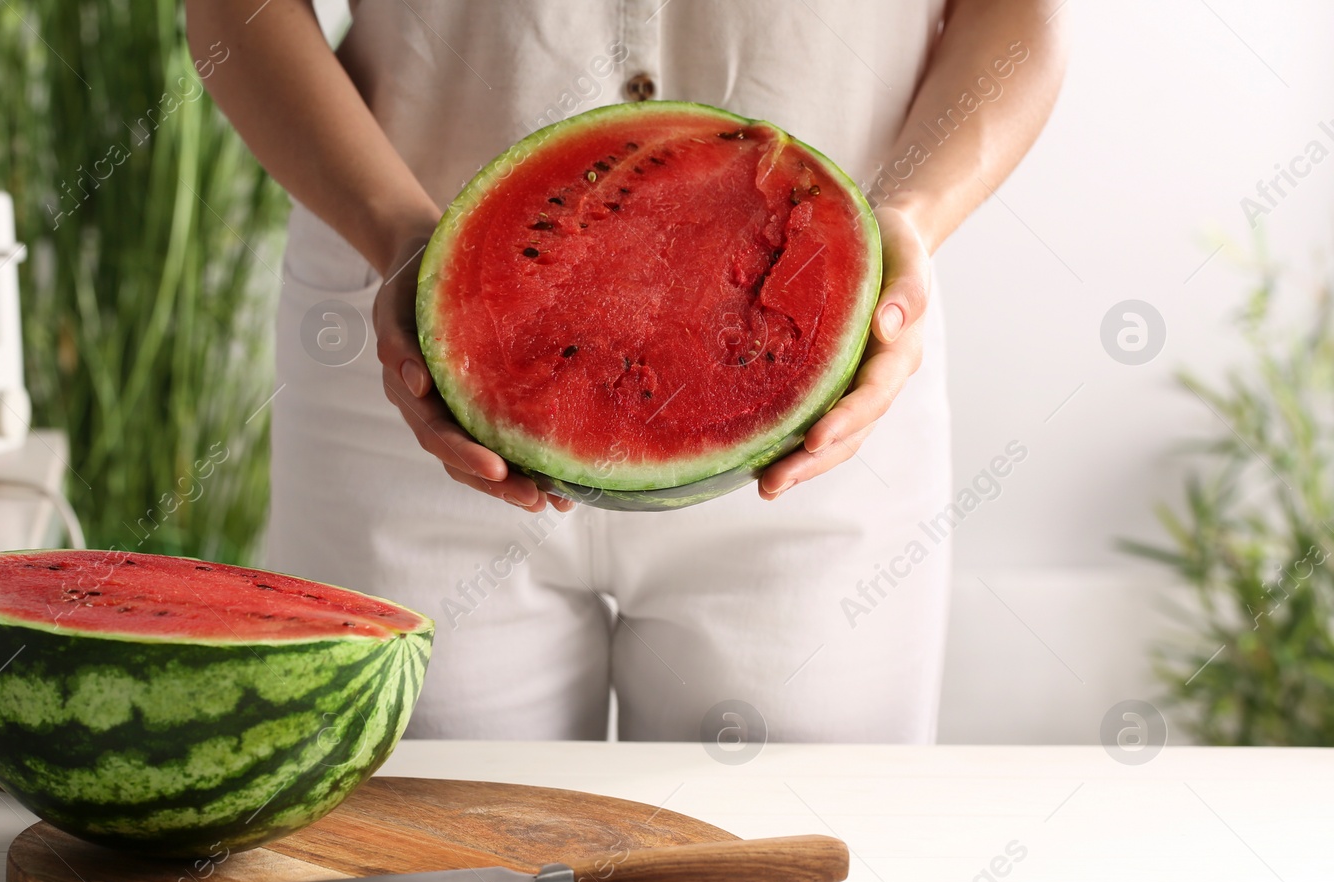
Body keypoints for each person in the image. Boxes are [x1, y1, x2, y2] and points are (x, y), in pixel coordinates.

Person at [190, 0, 1066, 742]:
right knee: (419, 871)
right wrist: (394, 232)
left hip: (828, 400)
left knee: (782, 879)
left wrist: (911, 213)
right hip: (410, 375)